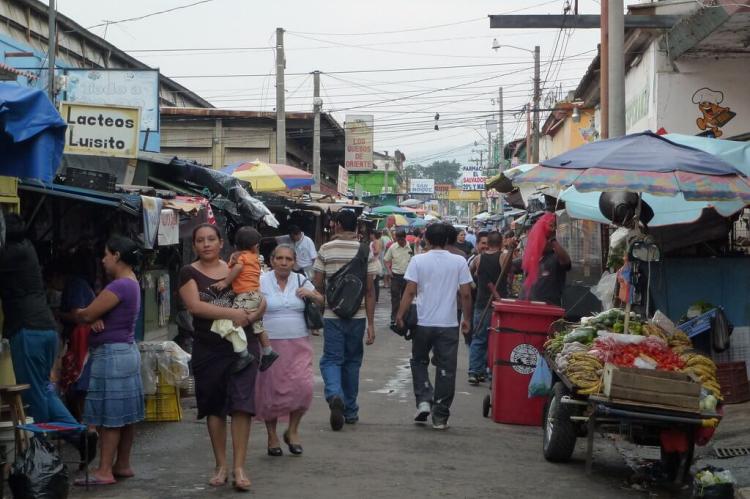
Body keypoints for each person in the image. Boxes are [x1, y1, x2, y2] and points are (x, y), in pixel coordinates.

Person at [0, 215, 96, 459]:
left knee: (32, 395)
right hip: (45, 329)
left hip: (27, 330)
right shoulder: (26, 248)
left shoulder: (10, 254)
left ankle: (41, 451)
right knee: (43, 390)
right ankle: (79, 436)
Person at [179, 224, 264, 491]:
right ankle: (221, 465)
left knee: (241, 404)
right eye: (200, 240)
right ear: (194, 246)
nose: (206, 244)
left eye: (211, 239)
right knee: (214, 405)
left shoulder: (236, 267)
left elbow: (260, 299)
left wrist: (250, 316)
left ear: (221, 243)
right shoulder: (188, 272)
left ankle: (239, 468)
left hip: (242, 345)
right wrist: (232, 314)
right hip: (208, 347)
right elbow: (195, 306)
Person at [70, 236, 144, 486]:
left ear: (117, 256)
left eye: (106, 254)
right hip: (125, 351)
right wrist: (92, 317)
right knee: (125, 413)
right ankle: (122, 463)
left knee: (110, 414)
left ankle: (104, 470)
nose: (103, 260)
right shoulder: (132, 283)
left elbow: (87, 312)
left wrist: (83, 314)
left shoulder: (119, 285)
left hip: (112, 355)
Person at [396, 223, 473, 430]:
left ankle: (423, 399)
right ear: (448, 239)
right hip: (448, 324)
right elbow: (465, 293)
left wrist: (400, 315)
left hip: (422, 322)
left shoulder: (418, 260)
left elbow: (410, 291)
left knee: (419, 361)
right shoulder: (459, 261)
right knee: (446, 369)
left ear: (427, 240)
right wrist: (467, 319)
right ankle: (440, 416)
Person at [313, 210, 378, 431]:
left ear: (337, 225)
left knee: (331, 359)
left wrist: (316, 312)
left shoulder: (325, 249)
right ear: (357, 227)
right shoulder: (365, 251)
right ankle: (350, 410)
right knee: (352, 362)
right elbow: (369, 291)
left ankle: (334, 394)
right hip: (357, 316)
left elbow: (318, 285)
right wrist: (371, 324)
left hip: (333, 315)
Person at [256, 244, 323, 457]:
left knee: (303, 388)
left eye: (288, 259)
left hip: (299, 343)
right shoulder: (261, 281)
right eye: (280, 258)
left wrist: (311, 295)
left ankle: (293, 430)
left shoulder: (301, 280)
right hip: (270, 344)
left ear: (294, 261)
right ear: (272, 260)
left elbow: (321, 299)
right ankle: (272, 436)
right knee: (271, 391)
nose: (284, 263)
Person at [211, 226, 277, 373]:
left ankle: (244, 354)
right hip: (256, 295)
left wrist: (225, 282)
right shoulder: (254, 257)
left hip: (245, 295)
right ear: (255, 245)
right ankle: (268, 351)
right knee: (258, 326)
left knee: (230, 322)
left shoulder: (241, 257)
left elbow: (237, 269)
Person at [467, 232, 509, 385]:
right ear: (501, 242)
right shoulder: (503, 257)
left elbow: (469, 273)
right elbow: (509, 269)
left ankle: (474, 371)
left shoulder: (478, 258)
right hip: (498, 305)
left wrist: (474, 286)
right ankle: (491, 372)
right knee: (496, 339)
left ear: (489, 243)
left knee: (478, 338)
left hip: (481, 303)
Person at [522, 213, 571, 306]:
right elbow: (508, 267)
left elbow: (566, 262)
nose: (538, 242)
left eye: (543, 238)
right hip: (528, 307)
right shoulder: (531, 259)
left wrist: (552, 239)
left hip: (548, 310)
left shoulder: (555, 258)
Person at [384, 229, 413, 325]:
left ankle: (405, 317)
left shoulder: (411, 247)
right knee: (395, 298)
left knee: (406, 298)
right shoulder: (393, 247)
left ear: (404, 238)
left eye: (401, 239)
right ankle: (394, 317)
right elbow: (386, 260)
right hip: (395, 276)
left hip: (408, 277)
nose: (399, 241)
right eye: (397, 239)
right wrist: (389, 271)